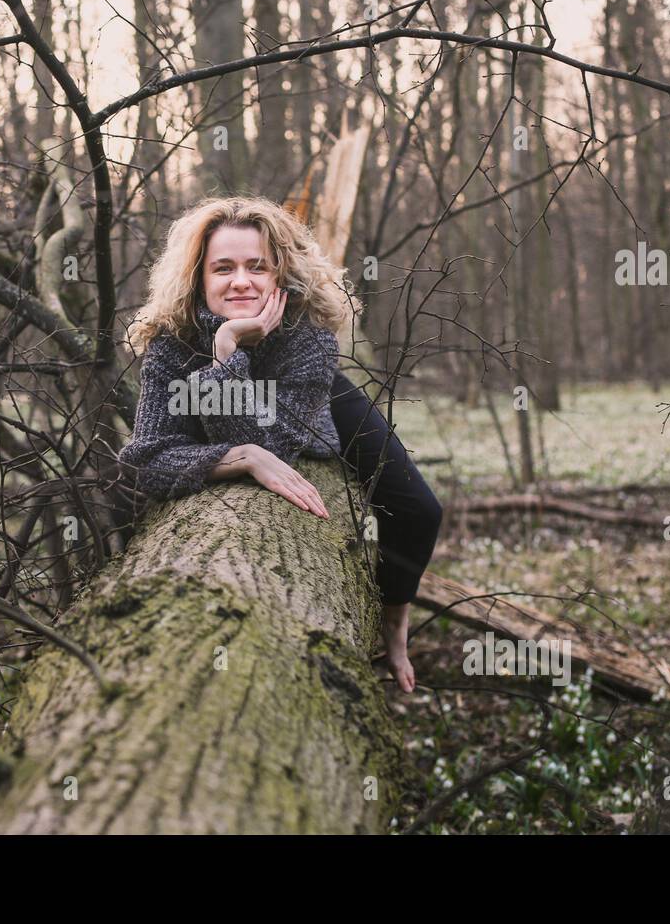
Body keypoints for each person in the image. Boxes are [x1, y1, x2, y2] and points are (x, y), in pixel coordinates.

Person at [118, 195, 443, 693]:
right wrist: (226, 357)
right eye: (223, 268)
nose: (241, 281)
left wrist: (239, 437)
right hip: (253, 404)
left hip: (316, 403)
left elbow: (274, 443)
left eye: (257, 267)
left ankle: (395, 625)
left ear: (279, 275)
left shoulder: (307, 338)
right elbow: (148, 463)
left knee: (419, 509)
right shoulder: (171, 346)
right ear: (198, 278)